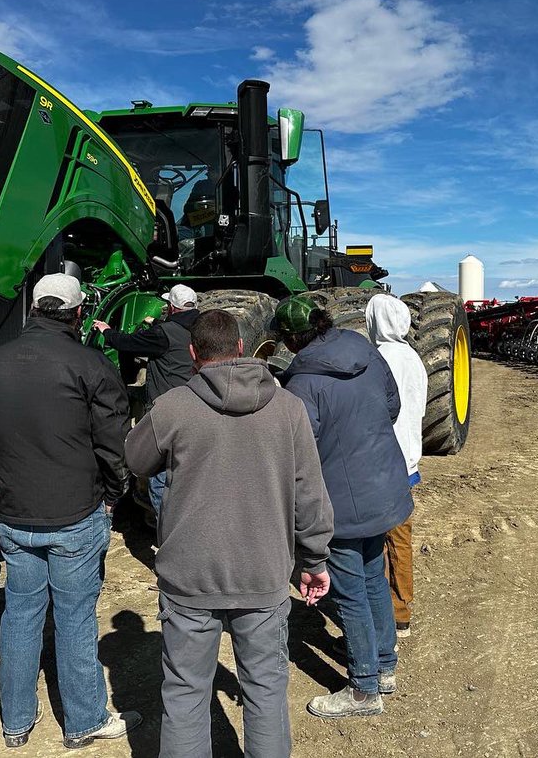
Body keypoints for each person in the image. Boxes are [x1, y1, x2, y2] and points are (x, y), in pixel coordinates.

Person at [126, 309, 334, 757]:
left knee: (184, 695)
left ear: (193, 354)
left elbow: (135, 459)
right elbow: (310, 494)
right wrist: (314, 560)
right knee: (265, 692)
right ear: (241, 349)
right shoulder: (288, 408)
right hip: (262, 574)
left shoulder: (173, 406)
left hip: (189, 576)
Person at [0, 273, 141, 748]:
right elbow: (112, 444)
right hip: (74, 514)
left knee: (20, 614)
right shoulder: (91, 364)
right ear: (79, 313)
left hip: (16, 512)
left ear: (34, 310)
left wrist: (2, 478)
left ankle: (16, 722)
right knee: (75, 616)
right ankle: (84, 720)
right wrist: (111, 493)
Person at [276, 296, 413, 719]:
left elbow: (300, 447)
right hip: (385, 486)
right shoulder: (366, 352)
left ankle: (363, 689)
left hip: (342, 500)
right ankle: (385, 664)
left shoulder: (302, 383)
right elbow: (392, 406)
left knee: (350, 591)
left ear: (291, 338)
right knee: (375, 574)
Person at [91, 283, 199, 520]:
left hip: (168, 413)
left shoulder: (164, 334)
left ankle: (169, 531)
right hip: (196, 407)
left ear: (171, 307)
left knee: (160, 479)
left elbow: (127, 343)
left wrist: (107, 331)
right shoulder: (201, 327)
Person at [365, 294, 428, 638]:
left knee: (376, 540)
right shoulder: (413, 358)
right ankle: (402, 607)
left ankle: (388, 611)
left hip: (380, 460)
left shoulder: (378, 359)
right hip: (406, 459)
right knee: (401, 538)